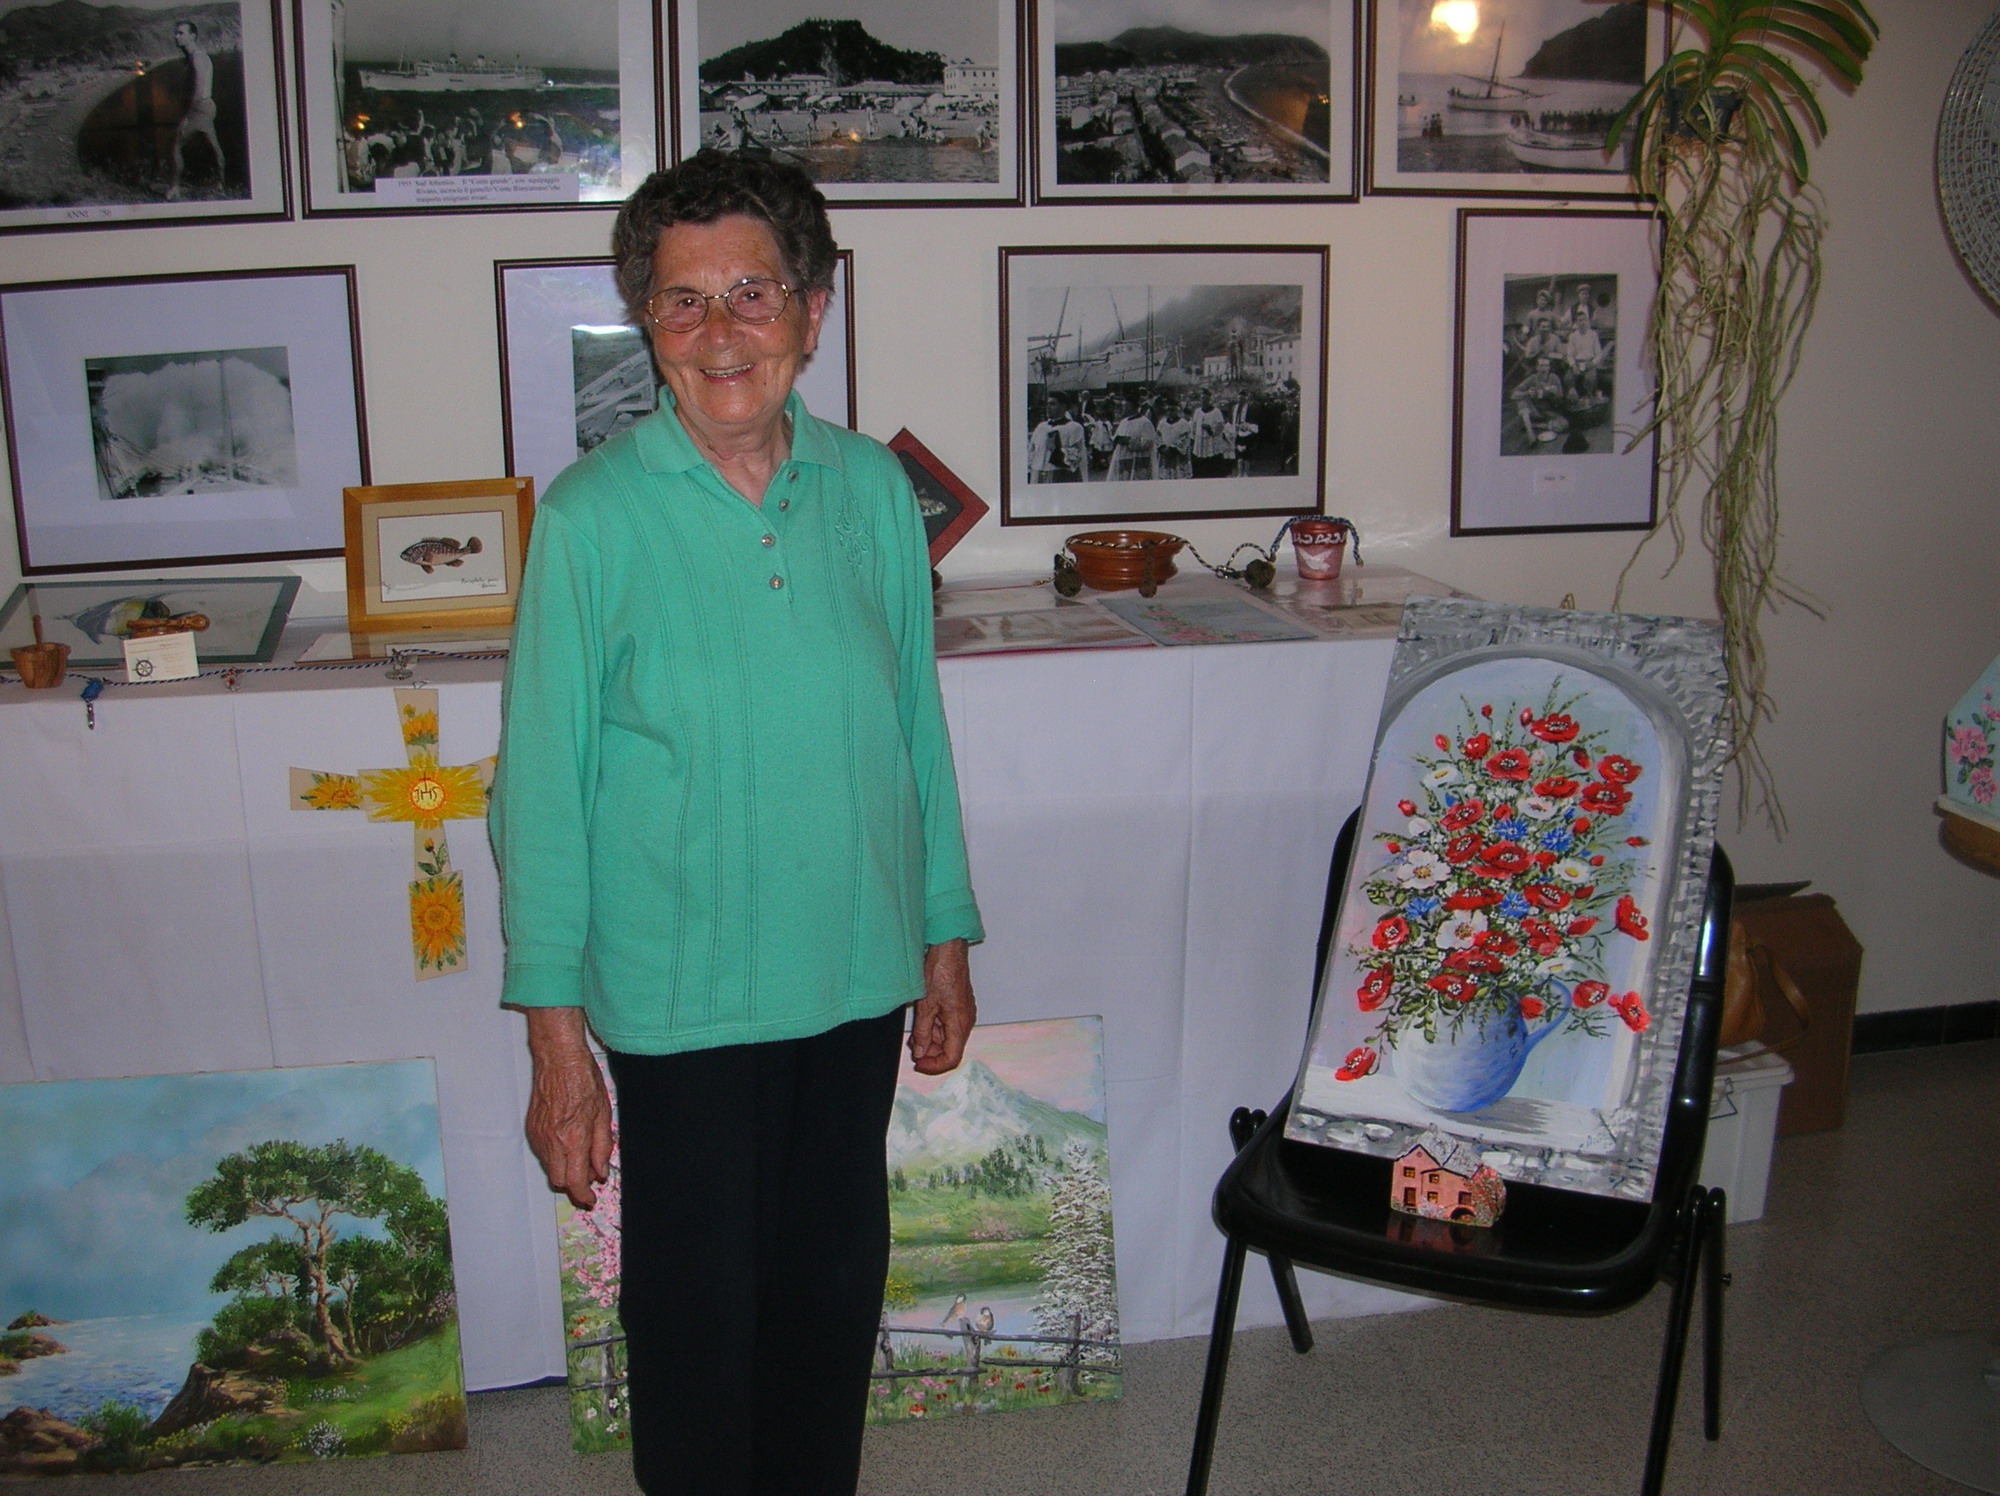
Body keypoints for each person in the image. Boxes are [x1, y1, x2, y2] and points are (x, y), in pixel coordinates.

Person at [491, 149, 983, 1496]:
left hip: (853, 969)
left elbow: (913, 726)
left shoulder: (871, 491)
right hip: (679, 991)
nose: (720, 333)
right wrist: (555, 1041)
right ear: (646, 322)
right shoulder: (591, 518)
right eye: (681, 300)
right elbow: (540, 789)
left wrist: (943, 931)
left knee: (830, 1292)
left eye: (752, 294)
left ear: (812, 311)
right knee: (698, 1320)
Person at [166, 19, 223, 200]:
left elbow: (198, 90)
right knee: (212, 144)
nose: (176, 36)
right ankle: (221, 183)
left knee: (176, 145)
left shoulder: (197, 58)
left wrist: (187, 118)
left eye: (181, 33)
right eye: (176, 33)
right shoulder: (195, 57)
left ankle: (174, 188)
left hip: (199, 107)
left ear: (192, 36)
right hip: (206, 107)